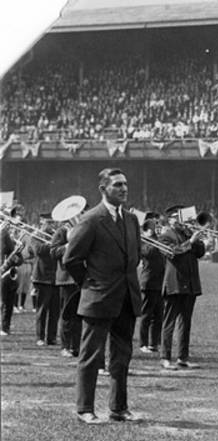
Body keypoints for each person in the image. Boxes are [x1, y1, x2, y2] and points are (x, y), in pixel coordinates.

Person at [63, 168, 142, 424]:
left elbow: (135, 257)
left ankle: (118, 408)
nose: (123, 189)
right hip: (98, 298)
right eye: (117, 185)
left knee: (122, 356)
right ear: (103, 189)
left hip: (127, 299)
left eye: (125, 184)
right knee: (91, 356)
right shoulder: (91, 219)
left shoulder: (131, 220)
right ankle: (85, 409)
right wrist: (90, 283)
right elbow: (71, 259)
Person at [159, 205, 205, 370]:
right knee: (169, 322)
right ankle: (165, 357)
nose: (181, 221)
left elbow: (200, 253)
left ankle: (182, 357)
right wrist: (190, 241)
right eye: (176, 218)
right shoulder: (166, 235)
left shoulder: (187, 233)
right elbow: (172, 252)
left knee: (186, 323)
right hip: (175, 283)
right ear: (170, 219)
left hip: (190, 283)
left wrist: (197, 238)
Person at [50, 209, 87, 358]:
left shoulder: (81, 230)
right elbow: (53, 252)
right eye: (79, 213)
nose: (81, 215)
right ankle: (65, 346)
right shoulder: (61, 231)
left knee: (78, 314)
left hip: (79, 277)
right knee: (66, 313)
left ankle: (75, 346)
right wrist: (67, 245)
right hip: (66, 278)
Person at [29, 214, 59, 346]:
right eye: (49, 223)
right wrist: (54, 244)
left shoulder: (56, 236)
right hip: (41, 277)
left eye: (52, 223)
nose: (51, 226)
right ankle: (40, 337)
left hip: (55, 278)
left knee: (55, 311)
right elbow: (39, 250)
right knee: (42, 310)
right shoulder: (36, 235)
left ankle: (51, 337)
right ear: (42, 222)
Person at [138, 219, 165, 353]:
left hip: (160, 282)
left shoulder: (158, 241)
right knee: (146, 315)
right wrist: (157, 239)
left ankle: (154, 343)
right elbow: (148, 253)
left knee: (158, 315)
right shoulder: (143, 241)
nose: (156, 229)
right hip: (148, 282)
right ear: (147, 229)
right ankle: (143, 343)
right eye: (154, 228)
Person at [1, 224, 22, 335]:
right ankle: (3, 326)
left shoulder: (14, 244)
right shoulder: (3, 238)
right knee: (4, 302)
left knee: (9, 303)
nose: (12, 232)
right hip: (3, 274)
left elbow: (20, 261)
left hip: (11, 275)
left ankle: (6, 327)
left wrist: (16, 257)